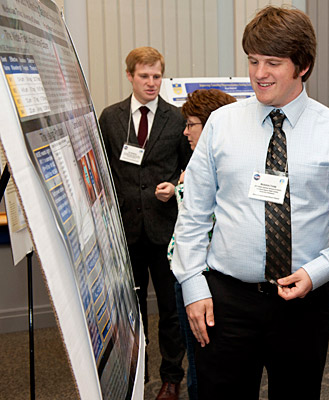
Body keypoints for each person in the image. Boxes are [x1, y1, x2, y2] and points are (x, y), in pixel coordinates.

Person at [171, 6, 329, 399]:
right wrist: (192, 284)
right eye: (253, 60)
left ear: (302, 65)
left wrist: (321, 269)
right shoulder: (221, 125)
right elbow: (194, 211)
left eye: (273, 62)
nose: (259, 73)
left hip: (304, 302)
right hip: (227, 302)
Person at [99, 46, 190, 400]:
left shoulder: (177, 117)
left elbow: (190, 169)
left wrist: (175, 187)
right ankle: (137, 373)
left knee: (170, 310)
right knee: (130, 311)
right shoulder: (110, 117)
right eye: (144, 76)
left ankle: (171, 377)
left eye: (157, 76)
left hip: (165, 229)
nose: (152, 83)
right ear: (129, 76)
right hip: (125, 231)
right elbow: (102, 170)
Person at [167, 89, 236, 400]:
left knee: (203, 365)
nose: (185, 131)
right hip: (192, 272)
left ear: (209, 125)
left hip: (203, 279)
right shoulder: (202, 162)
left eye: (191, 124)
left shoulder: (214, 166)